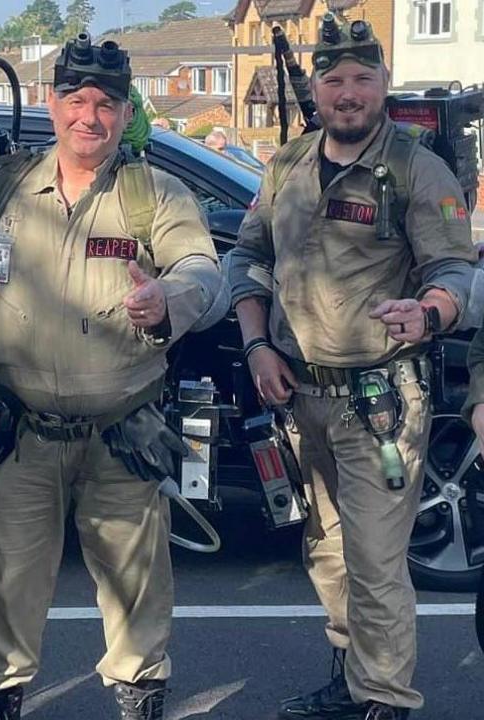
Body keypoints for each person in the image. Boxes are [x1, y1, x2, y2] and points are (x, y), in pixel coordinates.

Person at [0, 35, 226, 720]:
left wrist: (167, 302)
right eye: (75, 99)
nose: (88, 116)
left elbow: (203, 273)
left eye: (105, 103)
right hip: (19, 433)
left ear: (126, 114)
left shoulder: (155, 194)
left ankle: (139, 699)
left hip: (121, 430)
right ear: (51, 101)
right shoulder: (6, 188)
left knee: (136, 590)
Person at [224, 15, 476, 720]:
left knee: (373, 560)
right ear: (315, 86)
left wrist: (428, 313)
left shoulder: (416, 169)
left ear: (383, 85)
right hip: (300, 395)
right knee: (328, 553)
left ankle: (386, 700)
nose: (348, 92)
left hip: (380, 401)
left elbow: (456, 269)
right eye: (333, 79)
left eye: (363, 78)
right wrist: (256, 345)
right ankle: (352, 677)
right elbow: (247, 259)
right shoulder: (286, 166)